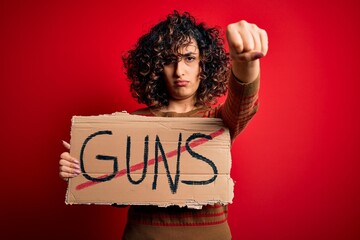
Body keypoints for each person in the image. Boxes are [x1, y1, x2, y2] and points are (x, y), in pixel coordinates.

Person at [59, 10, 268, 240]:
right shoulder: (134, 123)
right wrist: (82, 169)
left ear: (203, 65)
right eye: (169, 61)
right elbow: (119, 192)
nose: (180, 71)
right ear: (157, 68)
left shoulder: (219, 120)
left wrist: (244, 61)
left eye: (189, 58)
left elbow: (243, 100)